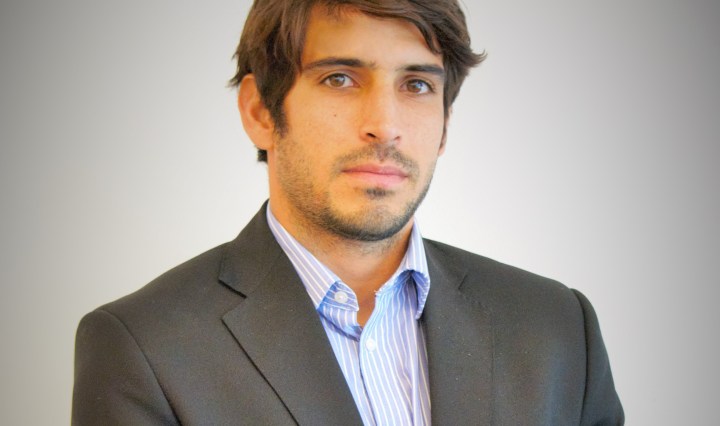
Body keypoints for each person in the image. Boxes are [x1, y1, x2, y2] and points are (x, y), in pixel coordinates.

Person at [72, 0, 624, 424]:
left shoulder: (557, 327)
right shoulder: (144, 347)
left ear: (444, 126)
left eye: (416, 84)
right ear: (261, 111)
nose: (385, 124)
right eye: (339, 78)